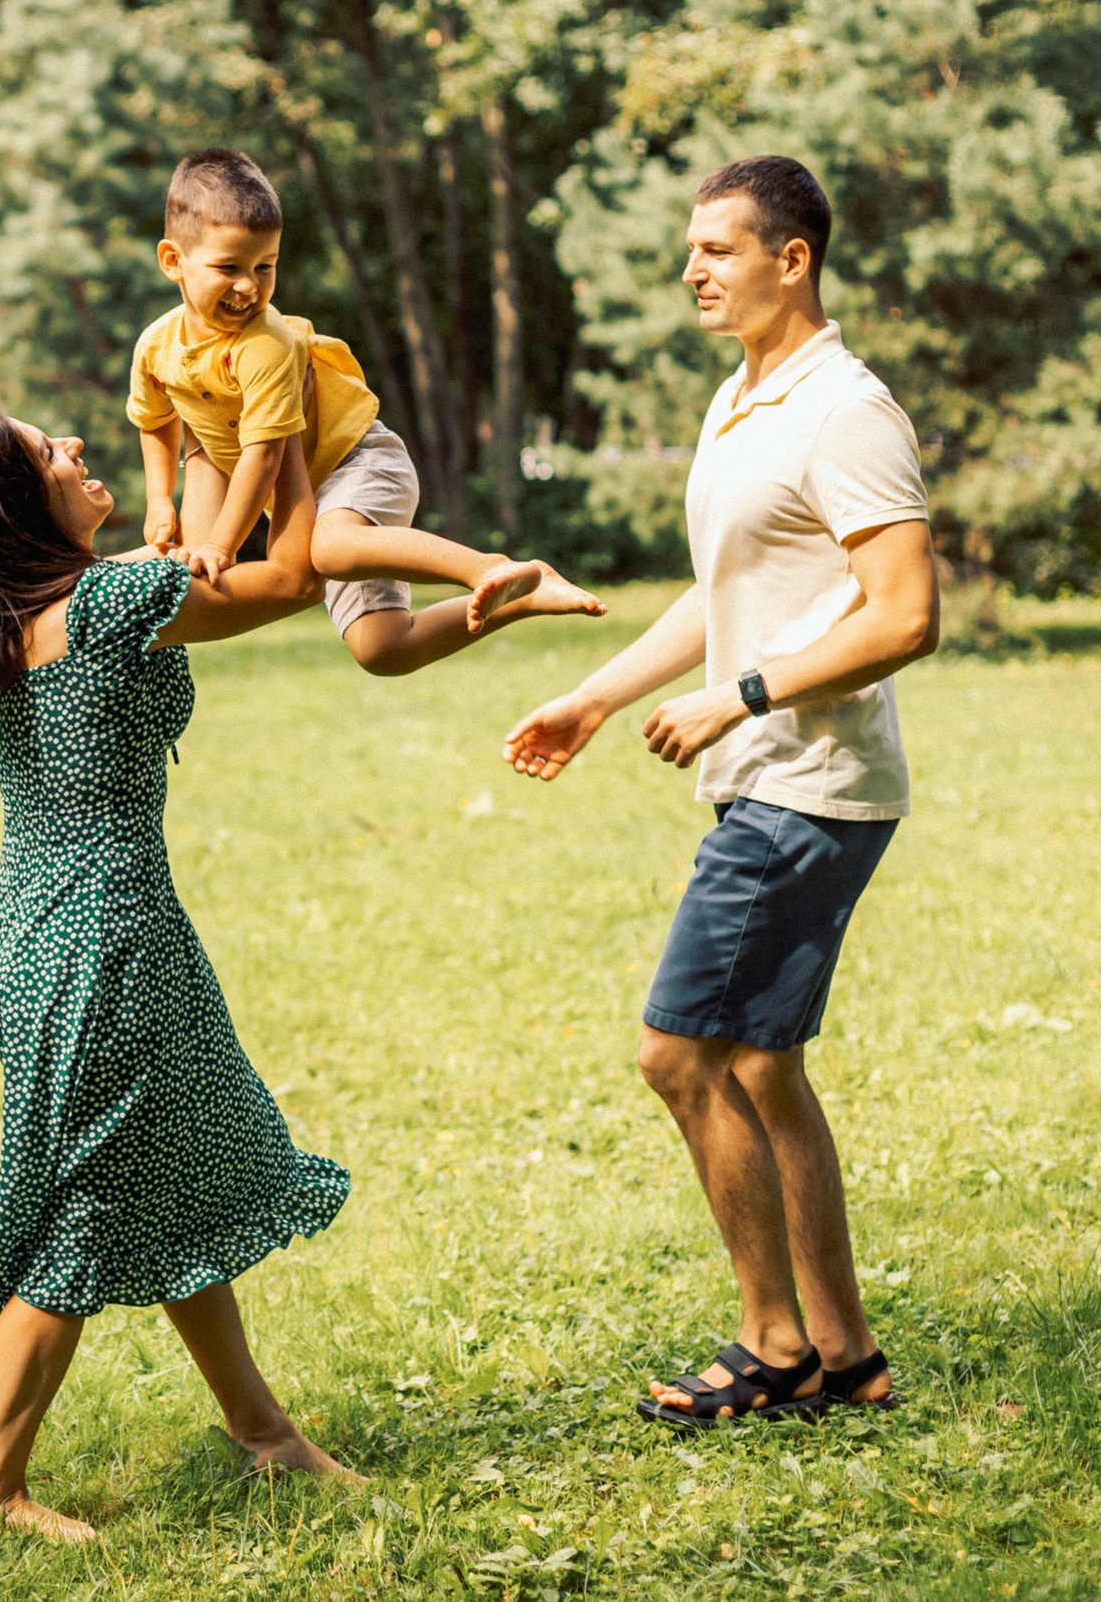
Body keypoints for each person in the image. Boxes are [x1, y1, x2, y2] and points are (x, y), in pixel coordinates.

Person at [501, 156, 939, 1425]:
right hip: (771, 773)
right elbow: (724, 591)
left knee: (677, 1057)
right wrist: (595, 694)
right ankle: (842, 1354)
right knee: (757, 1064)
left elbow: (905, 616)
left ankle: (772, 1344)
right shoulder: (741, 398)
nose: (692, 269)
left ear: (790, 258)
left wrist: (740, 698)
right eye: (690, 249)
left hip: (806, 783)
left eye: (717, 249)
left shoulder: (842, 410)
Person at [0, 407, 359, 1543]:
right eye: (44, 452)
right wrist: (286, 431)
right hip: (105, 941)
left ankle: (262, 1432)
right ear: (18, 503)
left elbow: (201, 535)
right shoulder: (102, 609)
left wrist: (224, 415)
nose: (70, 449)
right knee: (86, 1213)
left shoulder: (25, 617)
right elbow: (291, 580)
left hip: (50, 930)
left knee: (170, 1175)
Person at [128, 147, 605, 675]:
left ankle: (490, 568)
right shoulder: (156, 346)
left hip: (358, 462)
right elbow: (155, 418)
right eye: (228, 267)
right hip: (308, 484)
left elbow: (264, 459)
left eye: (266, 266)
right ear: (173, 261)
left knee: (327, 551)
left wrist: (224, 544)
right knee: (383, 650)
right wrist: (157, 499)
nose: (249, 286)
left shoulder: (264, 343)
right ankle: (524, 594)